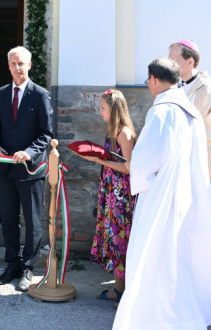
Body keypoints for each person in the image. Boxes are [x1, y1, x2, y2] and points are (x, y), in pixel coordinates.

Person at [113, 58, 211, 330]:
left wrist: (138, 177)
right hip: (188, 195)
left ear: (154, 80)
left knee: (154, 256)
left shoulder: (161, 112)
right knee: (180, 258)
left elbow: (145, 161)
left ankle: (152, 319)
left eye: (148, 81)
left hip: (161, 196)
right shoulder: (191, 112)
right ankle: (187, 317)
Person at [0, 46, 53, 292]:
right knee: (8, 219)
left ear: (29, 65)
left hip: (31, 170)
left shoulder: (40, 95)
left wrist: (29, 152)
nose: (17, 68)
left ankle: (28, 267)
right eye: (13, 64)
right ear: (8, 66)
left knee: (32, 221)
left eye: (21, 63)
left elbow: (46, 133)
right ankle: (12, 264)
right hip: (6, 168)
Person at [78, 89, 136, 302]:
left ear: (114, 110)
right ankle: (119, 290)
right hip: (113, 192)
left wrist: (99, 161)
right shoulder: (114, 130)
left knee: (120, 240)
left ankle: (122, 293)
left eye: (103, 107)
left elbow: (129, 167)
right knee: (115, 239)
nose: (100, 111)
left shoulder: (124, 133)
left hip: (121, 195)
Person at [169, 38, 211, 178]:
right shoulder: (175, 89)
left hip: (202, 161)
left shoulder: (207, 89)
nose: (169, 65)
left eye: (174, 60)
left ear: (190, 62)